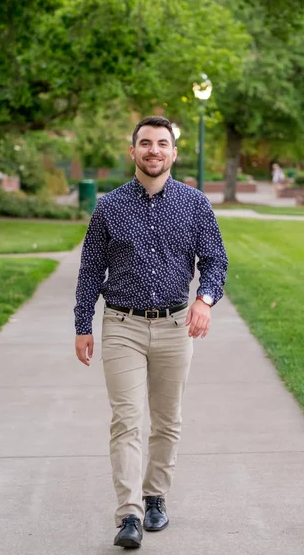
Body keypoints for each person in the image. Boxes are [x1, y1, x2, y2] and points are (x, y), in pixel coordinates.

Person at [74, 116, 228, 549]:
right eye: (145, 143)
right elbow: (90, 270)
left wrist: (205, 300)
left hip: (177, 325)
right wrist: (82, 325)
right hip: (121, 324)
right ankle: (129, 514)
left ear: (174, 153)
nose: (154, 150)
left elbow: (216, 261)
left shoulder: (196, 205)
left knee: (167, 420)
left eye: (163, 143)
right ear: (133, 152)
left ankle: (155, 495)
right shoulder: (109, 206)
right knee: (126, 420)